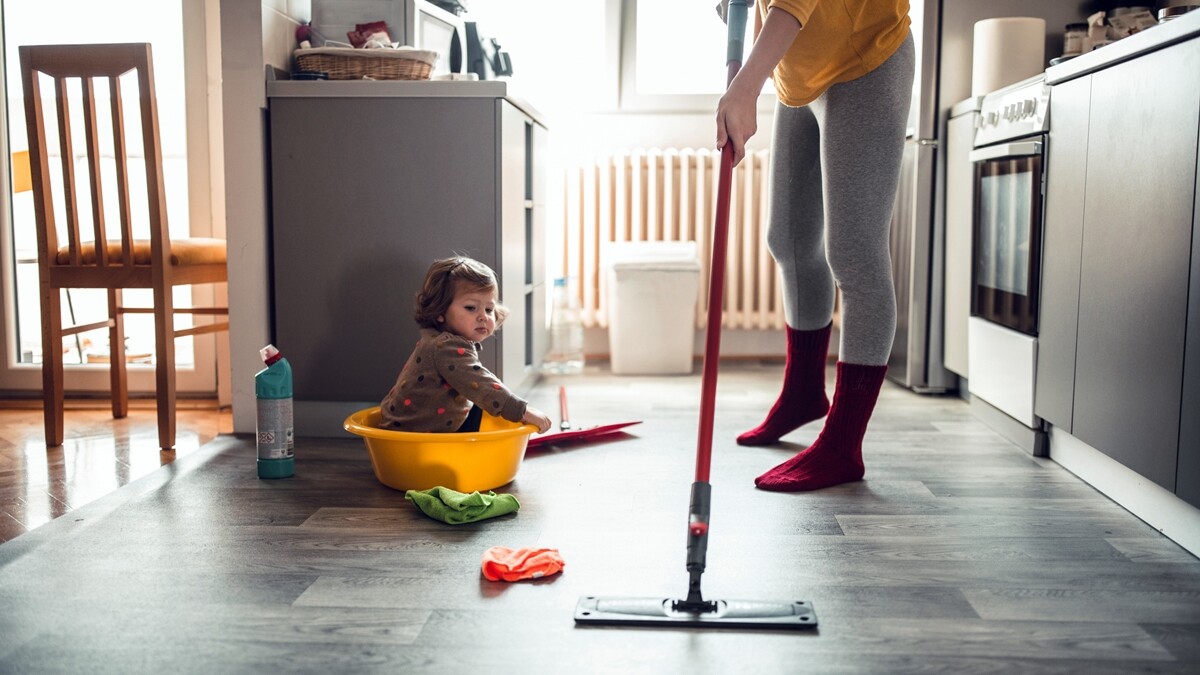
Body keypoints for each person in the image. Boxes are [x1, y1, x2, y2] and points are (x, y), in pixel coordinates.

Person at [715, 0, 915, 491]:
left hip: (864, 59)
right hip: (800, 73)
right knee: (788, 238)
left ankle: (843, 445)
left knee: (854, 253)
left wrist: (745, 88)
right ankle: (804, 392)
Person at [380, 256, 552, 435]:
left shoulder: (439, 340)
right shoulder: (445, 347)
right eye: (471, 308)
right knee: (483, 391)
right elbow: (480, 382)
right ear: (440, 312)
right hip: (413, 436)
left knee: (482, 398)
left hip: (414, 426)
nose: (483, 317)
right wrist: (522, 411)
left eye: (489, 309)